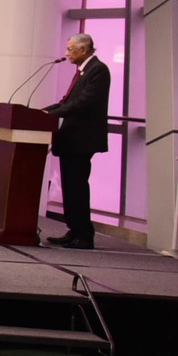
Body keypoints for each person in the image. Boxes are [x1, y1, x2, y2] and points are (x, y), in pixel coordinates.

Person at [43, 32, 112, 250]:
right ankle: (74, 230)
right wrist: (44, 111)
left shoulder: (98, 70)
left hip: (82, 139)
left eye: (70, 49)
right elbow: (67, 101)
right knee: (70, 187)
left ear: (83, 49)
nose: (66, 54)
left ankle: (84, 234)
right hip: (71, 140)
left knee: (77, 187)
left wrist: (54, 114)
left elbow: (84, 102)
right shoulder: (83, 71)